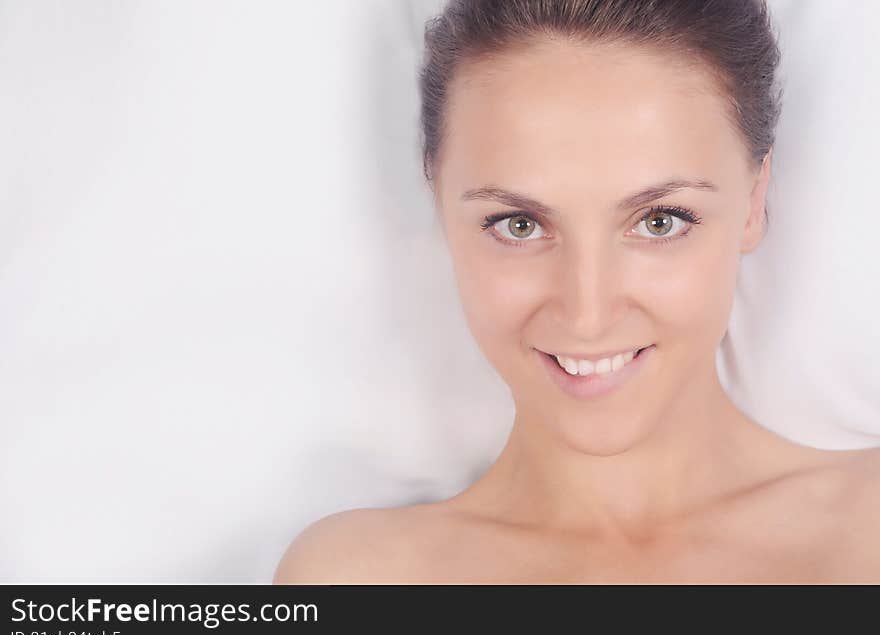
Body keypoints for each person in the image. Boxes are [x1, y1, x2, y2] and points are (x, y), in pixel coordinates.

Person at [274, 0, 880, 583]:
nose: (587, 315)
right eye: (519, 224)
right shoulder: (359, 579)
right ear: (439, 202)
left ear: (753, 200)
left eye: (660, 221)